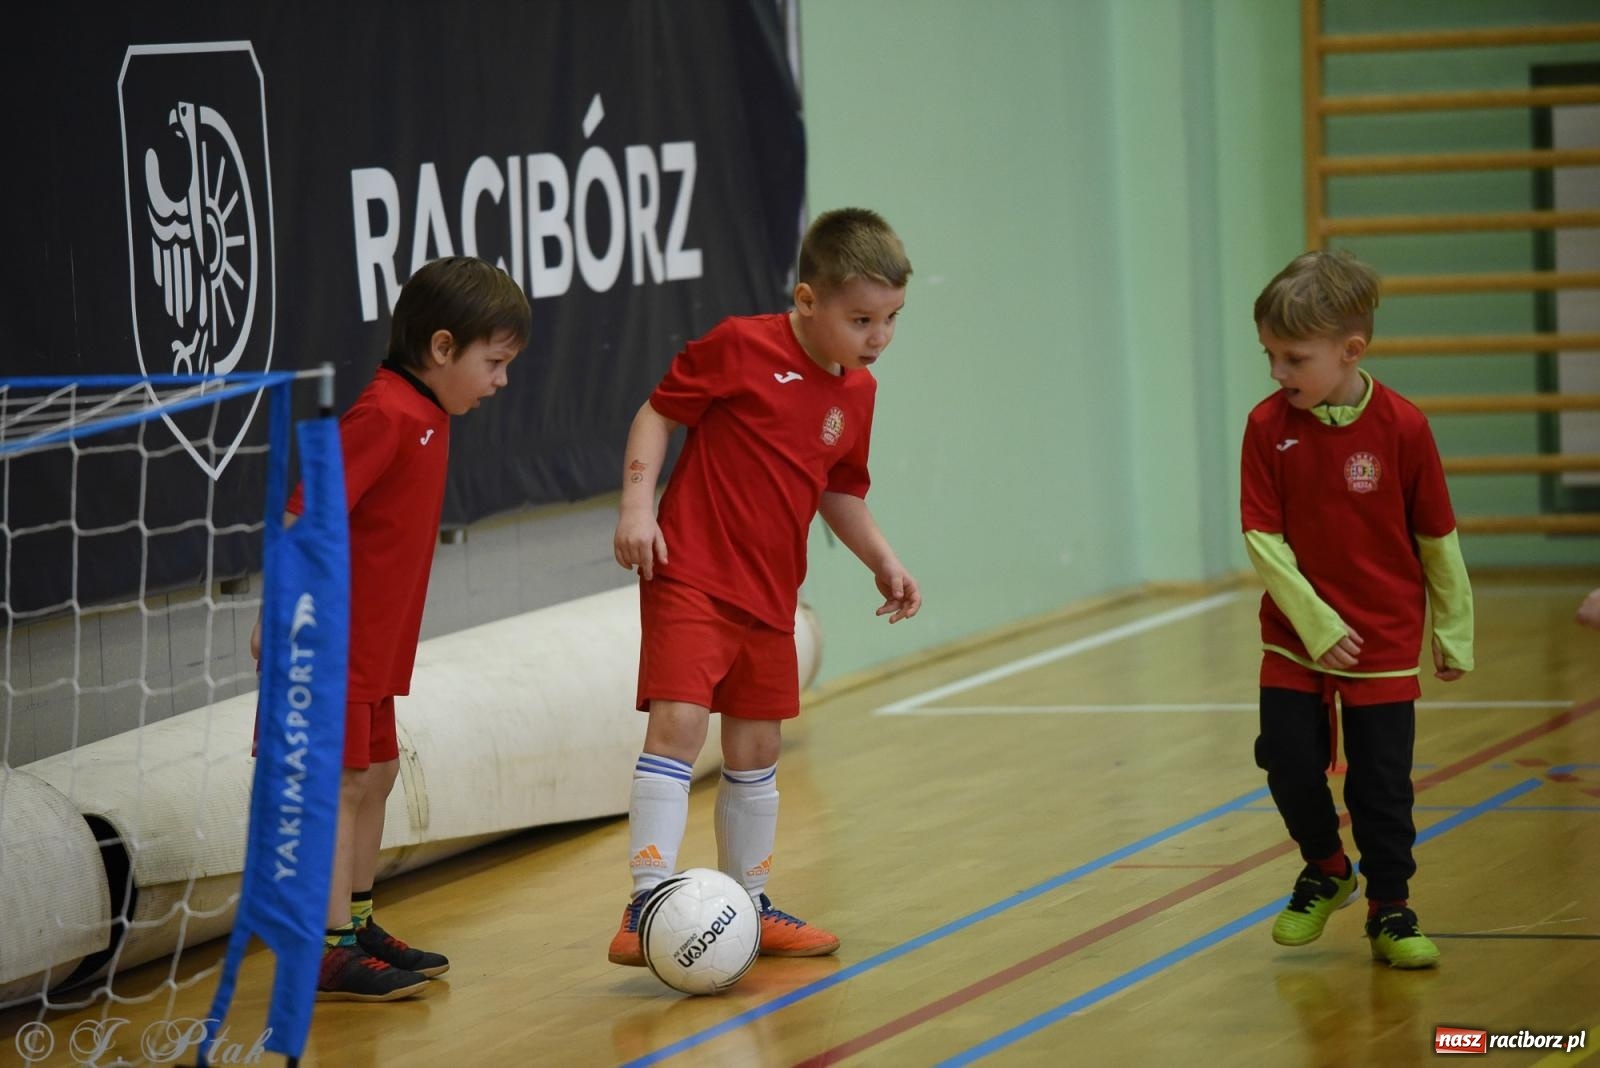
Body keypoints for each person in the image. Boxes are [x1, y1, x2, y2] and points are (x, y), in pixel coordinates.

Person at [607, 207, 921, 966]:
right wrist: (637, 507)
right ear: (807, 301)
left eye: (890, 320)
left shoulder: (860, 392)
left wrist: (882, 557)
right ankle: (646, 899)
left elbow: (839, 489)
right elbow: (658, 412)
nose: (877, 338)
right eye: (861, 319)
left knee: (756, 748)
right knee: (679, 727)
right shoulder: (739, 346)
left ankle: (746, 903)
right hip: (691, 575)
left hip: (769, 595)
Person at [252, 256, 531, 1000]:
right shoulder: (387, 412)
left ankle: (357, 920)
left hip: (373, 647)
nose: (501, 381)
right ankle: (324, 945)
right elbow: (304, 509)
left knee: (377, 774)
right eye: (494, 363)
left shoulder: (430, 414)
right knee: (338, 785)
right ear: (442, 348)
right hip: (329, 641)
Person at [1240, 249, 1474, 970]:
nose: (1278, 373)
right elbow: (1263, 538)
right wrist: (1315, 622)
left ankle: (1391, 908)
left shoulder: (1403, 427)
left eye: (1293, 358)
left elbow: (1437, 535)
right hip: (1294, 637)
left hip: (1383, 638)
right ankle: (1327, 869)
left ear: (1351, 351)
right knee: (1284, 757)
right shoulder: (1266, 426)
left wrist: (1454, 626)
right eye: (1269, 356)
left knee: (1381, 783)